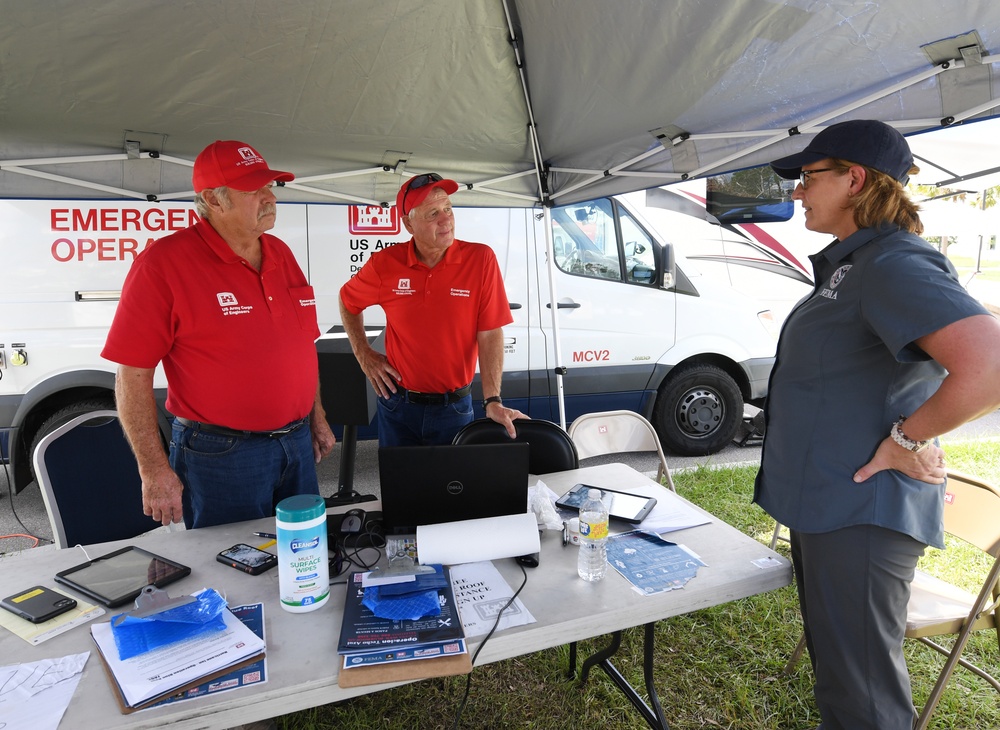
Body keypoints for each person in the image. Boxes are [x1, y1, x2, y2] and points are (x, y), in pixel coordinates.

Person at [754, 119, 1000, 730]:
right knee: (843, 683)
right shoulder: (857, 262)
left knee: (863, 697)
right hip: (831, 504)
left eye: (808, 178)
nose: (797, 192)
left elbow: (990, 366)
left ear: (854, 180)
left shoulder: (891, 262)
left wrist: (906, 440)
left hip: (862, 512)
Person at [102, 140, 336, 530]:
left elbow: (300, 348)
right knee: (230, 571)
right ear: (214, 199)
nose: (269, 198)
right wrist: (154, 470)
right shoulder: (163, 265)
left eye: (270, 187)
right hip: (221, 455)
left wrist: (317, 417)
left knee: (302, 556)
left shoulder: (280, 252)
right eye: (253, 189)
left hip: (295, 445)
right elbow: (132, 376)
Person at [339, 173, 526, 446]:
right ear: (408, 224)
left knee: (451, 487)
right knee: (400, 488)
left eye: (448, 209)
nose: (446, 220)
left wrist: (493, 400)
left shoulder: (480, 260)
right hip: (397, 407)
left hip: (454, 409)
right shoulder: (385, 264)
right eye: (433, 214)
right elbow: (347, 301)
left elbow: (489, 333)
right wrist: (363, 353)